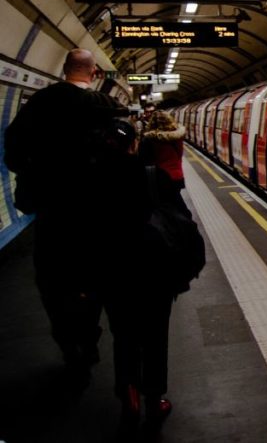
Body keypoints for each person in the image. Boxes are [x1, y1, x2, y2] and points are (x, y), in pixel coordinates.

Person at [3, 48, 123, 384]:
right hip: (98, 218)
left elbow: (12, 152)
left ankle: (69, 344)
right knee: (95, 278)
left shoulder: (38, 104)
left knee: (53, 281)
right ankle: (89, 335)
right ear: (95, 72)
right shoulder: (105, 106)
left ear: (64, 69)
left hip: (53, 216)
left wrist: (38, 172)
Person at [95, 119, 177, 430]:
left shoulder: (89, 180)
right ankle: (155, 401)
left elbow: (80, 233)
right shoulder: (153, 176)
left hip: (112, 274)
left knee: (124, 336)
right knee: (156, 337)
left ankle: (128, 396)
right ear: (134, 144)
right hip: (154, 273)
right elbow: (181, 226)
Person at [139, 110, 189, 216]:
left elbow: (145, 160)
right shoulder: (177, 137)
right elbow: (179, 155)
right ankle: (181, 222)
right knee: (176, 201)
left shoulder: (149, 139)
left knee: (165, 205)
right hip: (177, 176)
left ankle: (172, 225)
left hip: (159, 177)